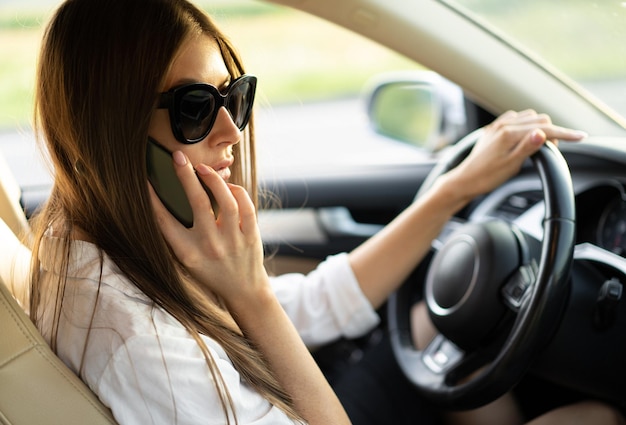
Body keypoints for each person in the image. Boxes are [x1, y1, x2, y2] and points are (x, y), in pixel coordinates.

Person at [28, 0, 623, 424]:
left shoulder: (96, 245)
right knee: (597, 413)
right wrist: (252, 294)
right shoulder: (137, 341)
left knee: (428, 323)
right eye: (194, 107)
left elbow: (312, 307)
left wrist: (452, 191)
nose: (232, 130)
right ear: (112, 132)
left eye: (234, 97)